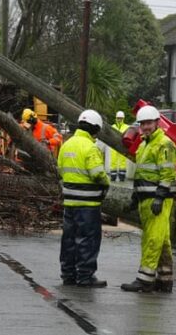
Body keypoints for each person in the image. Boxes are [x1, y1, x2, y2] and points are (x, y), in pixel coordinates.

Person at [120, 105, 176, 294]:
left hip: (157, 199)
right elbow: (141, 174)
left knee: (152, 239)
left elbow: (167, 173)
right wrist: (135, 198)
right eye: (143, 124)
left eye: (148, 123)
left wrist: (160, 197)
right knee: (161, 239)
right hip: (147, 199)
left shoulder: (164, 144)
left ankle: (144, 280)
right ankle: (164, 279)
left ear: (157, 123)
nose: (145, 127)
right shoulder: (145, 145)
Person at [58, 109, 110, 288]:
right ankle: (85, 276)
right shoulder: (90, 148)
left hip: (69, 203)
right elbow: (98, 174)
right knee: (88, 240)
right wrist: (106, 183)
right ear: (95, 129)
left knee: (69, 239)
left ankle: (68, 274)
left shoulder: (67, 144)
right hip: (88, 205)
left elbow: (60, 170)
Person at [109, 111, 130, 181]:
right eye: (118, 118)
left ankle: (122, 176)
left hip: (123, 147)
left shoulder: (127, 127)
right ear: (116, 118)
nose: (119, 120)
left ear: (123, 119)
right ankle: (113, 176)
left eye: (120, 118)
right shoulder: (113, 127)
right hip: (114, 146)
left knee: (123, 161)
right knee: (113, 161)